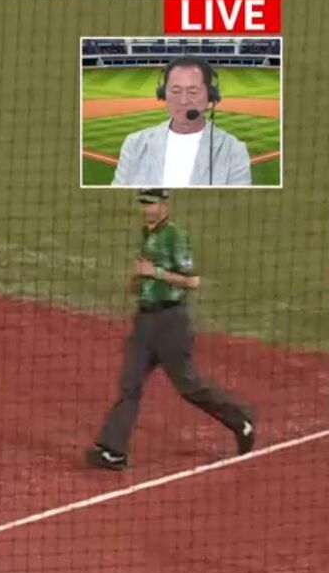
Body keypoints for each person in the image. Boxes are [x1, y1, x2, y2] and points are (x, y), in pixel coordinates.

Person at [86, 189, 256, 471]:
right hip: (144, 321)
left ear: (165, 205)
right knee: (129, 385)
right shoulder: (146, 235)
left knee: (188, 386)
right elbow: (137, 284)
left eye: (151, 203)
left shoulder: (176, 236)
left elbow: (192, 282)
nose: (146, 208)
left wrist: (155, 273)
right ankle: (113, 450)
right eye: (143, 203)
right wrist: (134, 277)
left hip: (171, 322)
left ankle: (240, 420)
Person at [111, 57, 252, 187]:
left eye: (193, 92)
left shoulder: (234, 150)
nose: (183, 101)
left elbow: (239, 201)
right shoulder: (134, 144)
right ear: (163, 94)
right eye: (175, 91)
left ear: (210, 96)